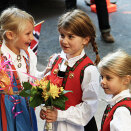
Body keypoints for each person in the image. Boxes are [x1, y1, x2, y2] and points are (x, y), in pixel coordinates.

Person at [40, 9, 100, 131]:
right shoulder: (56, 59)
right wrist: (46, 109)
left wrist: (60, 115)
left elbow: (89, 107)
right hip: (54, 124)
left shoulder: (88, 70)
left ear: (85, 40)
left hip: (74, 126)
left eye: (71, 36)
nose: (64, 41)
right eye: (62, 35)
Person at [0, 7, 44, 131]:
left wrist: (44, 74)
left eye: (32, 32)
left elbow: (33, 76)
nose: (32, 38)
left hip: (26, 107)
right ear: (10, 35)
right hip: (5, 108)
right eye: (27, 34)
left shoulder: (28, 53)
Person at [98, 50, 131, 131]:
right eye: (102, 77)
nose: (102, 81)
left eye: (108, 78)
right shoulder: (116, 101)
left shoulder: (122, 111)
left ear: (126, 80)